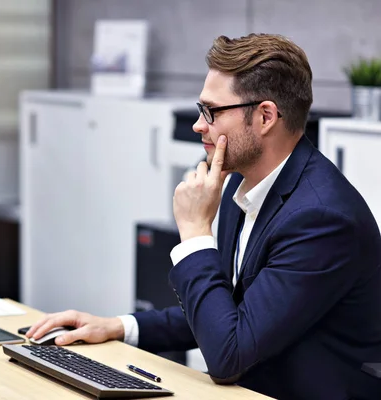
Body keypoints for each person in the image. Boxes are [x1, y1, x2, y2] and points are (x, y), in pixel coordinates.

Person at [26, 34, 381, 399]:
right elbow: (227, 310)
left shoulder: (322, 219)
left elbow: (229, 355)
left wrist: (195, 232)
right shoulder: (237, 186)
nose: (198, 124)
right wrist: (119, 327)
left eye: (211, 111)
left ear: (265, 116)